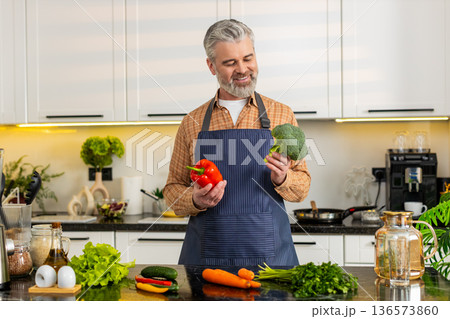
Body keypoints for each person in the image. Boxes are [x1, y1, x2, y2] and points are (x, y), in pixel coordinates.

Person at [163, 19, 311, 266]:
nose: (243, 69)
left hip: (271, 260)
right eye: (230, 63)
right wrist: (195, 200)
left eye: (248, 58)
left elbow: (303, 186)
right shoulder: (192, 122)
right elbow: (172, 190)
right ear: (211, 66)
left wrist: (283, 178)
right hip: (206, 259)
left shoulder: (282, 114)